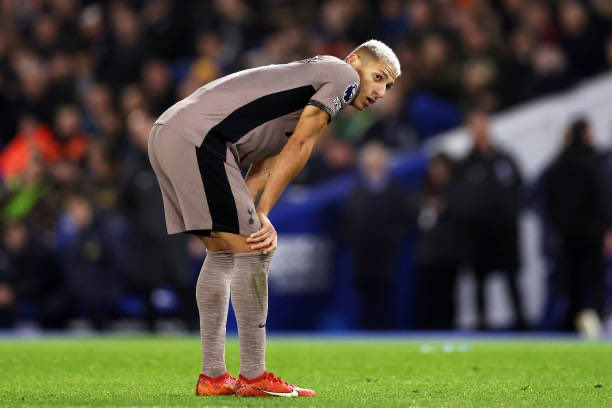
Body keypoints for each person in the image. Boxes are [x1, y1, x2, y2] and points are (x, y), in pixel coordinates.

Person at [147, 40, 400, 397]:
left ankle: (213, 377)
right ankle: (253, 375)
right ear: (354, 60)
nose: (379, 91)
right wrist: (261, 216)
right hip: (200, 138)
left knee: (222, 252)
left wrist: (253, 211)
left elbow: (268, 161)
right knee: (257, 248)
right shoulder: (342, 75)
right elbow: (299, 146)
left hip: (175, 131)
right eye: (377, 77)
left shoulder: (305, 84)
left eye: (387, 87)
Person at [456, 110, 527, 330]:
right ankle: (481, 322)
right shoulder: (465, 164)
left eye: (482, 126)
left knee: (512, 278)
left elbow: (520, 188)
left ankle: (521, 321)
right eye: (475, 127)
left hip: (505, 231)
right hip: (478, 234)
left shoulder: (505, 159)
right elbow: (458, 196)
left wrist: (511, 214)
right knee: (479, 279)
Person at [538, 119, 608, 337]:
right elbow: (603, 198)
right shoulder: (594, 162)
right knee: (593, 283)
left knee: (570, 285)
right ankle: (592, 324)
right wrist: (605, 228)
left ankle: (572, 326)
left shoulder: (557, 164)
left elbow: (545, 200)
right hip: (591, 235)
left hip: (565, 236)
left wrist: (557, 228)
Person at [342, 142, 411, 330]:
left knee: (386, 302)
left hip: (387, 257)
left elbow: (403, 220)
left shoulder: (397, 191)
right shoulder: (355, 192)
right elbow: (349, 223)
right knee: (366, 303)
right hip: (363, 257)